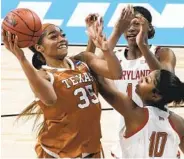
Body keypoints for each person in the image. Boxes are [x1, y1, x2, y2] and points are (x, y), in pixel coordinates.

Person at [2, 17, 122, 158]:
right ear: (39, 48)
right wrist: (22, 58)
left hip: (91, 148)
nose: (62, 39)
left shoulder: (82, 61)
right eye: (54, 37)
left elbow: (116, 73)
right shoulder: (44, 76)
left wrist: (103, 46)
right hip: (60, 153)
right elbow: (50, 99)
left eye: (63, 35)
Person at [85, 5, 176, 158]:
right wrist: (93, 38)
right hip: (126, 130)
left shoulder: (162, 53)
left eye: (137, 23)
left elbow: (166, 82)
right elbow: (87, 68)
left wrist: (144, 47)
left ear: (150, 28)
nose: (131, 28)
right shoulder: (116, 57)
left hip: (157, 131)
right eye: (127, 24)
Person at [98, 69, 184, 158]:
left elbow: (102, 84)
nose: (141, 78)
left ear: (155, 95)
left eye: (147, 80)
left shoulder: (136, 114)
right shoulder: (178, 122)